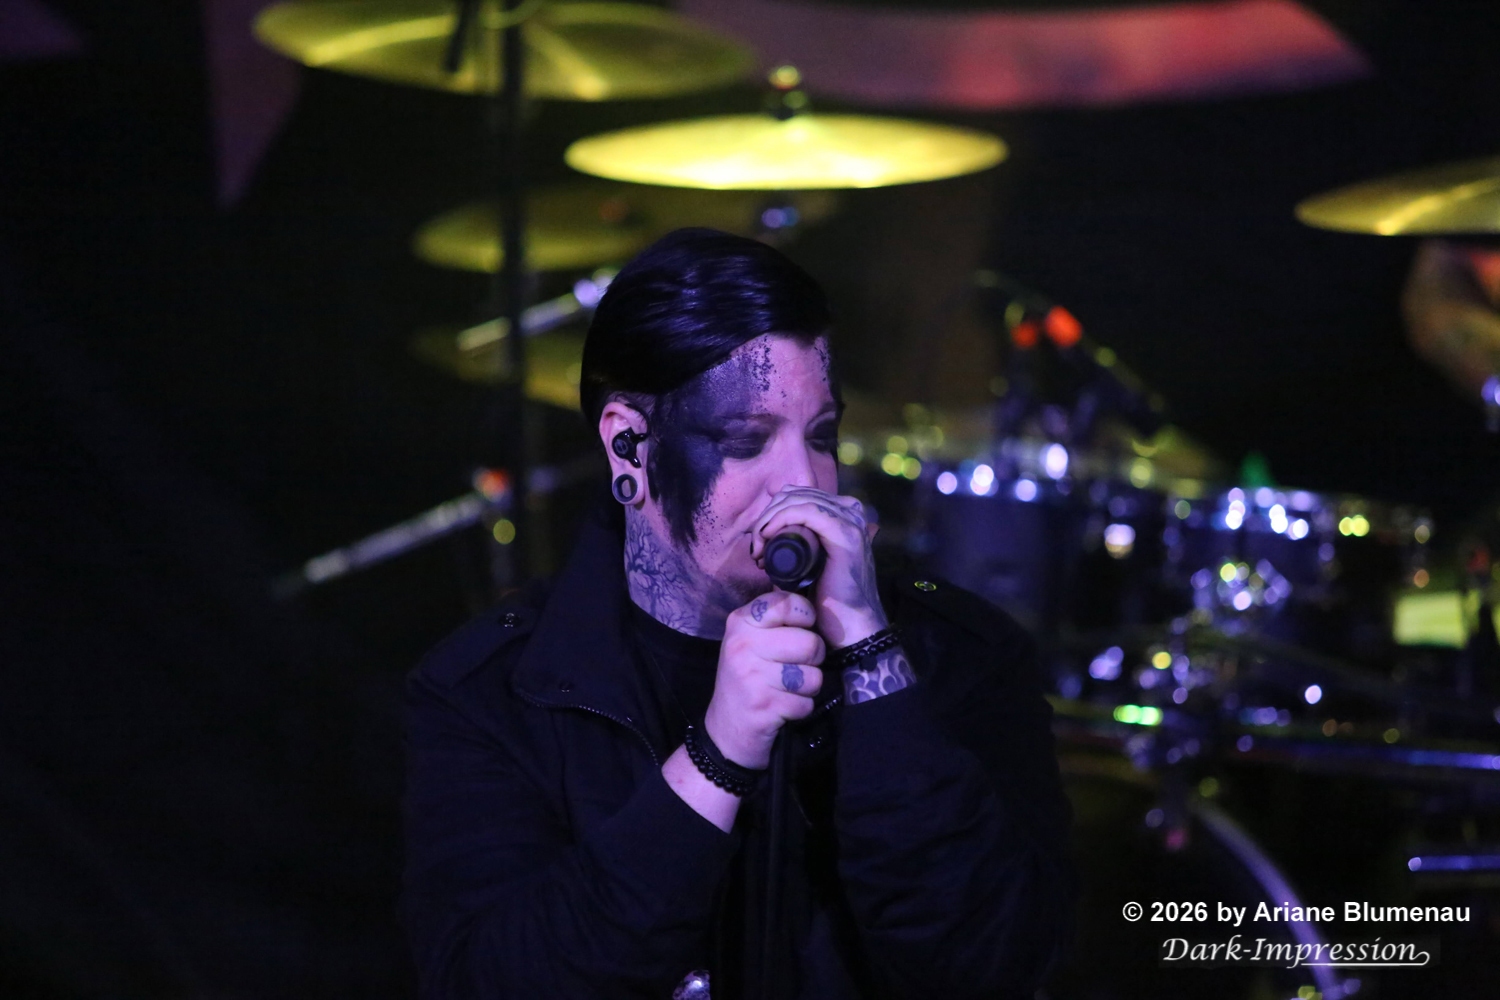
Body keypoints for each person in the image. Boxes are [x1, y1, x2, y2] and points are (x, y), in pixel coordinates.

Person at [402, 228, 1075, 999]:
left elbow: (992, 965)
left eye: (821, 436)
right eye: (746, 440)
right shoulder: (490, 694)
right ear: (629, 446)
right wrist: (717, 756)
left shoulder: (964, 655)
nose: (801, 481)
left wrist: (870, 655)